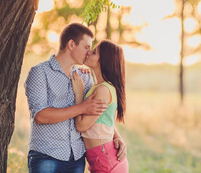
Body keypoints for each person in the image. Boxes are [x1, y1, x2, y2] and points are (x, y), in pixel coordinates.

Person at [24, 23, 126, 173]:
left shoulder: (85, 77)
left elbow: (96, 112)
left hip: (77, 158)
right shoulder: (40, 72)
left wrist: (116, 136)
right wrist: (81, 107)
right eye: (86, 47)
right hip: (47, 155)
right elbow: (40, 116)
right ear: (71, 44)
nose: (89, 52)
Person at [71, 39, 129, 173]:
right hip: (101, 160)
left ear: (103, 61)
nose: (89, 52)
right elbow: (102, 120)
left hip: (107, 162)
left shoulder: (103, 90)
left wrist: (79, 94)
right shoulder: (98, 87)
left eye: (94, 52)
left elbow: (81, 126)